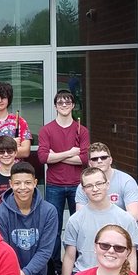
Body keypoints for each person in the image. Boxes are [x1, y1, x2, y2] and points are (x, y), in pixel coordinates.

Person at [61, 167, 138, 275]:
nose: (95, 189)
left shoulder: (126, 219)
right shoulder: (75, 220)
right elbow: (70, 256)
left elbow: (131, 256)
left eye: (99, 184)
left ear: (107, 184)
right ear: (83, 190)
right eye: (89, 186)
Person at [0, 162, 58, 275]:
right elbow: (2, 251)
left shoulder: (49, 211)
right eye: (17, 183)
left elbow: (45, 251)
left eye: (28, 182)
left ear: (35, 183)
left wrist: (25, 274)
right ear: (10, 184)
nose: (23, 187)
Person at [37, 88, 89, 240]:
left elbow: (84, 159)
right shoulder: (46, 130)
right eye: (60, 102)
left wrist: (55, 156)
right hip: (54, 184)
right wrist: (70, 152)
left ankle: (79, 262)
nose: (64, 105)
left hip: (78, 185)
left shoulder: (82, 131)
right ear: (55, 106)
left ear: (73, 105)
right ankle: (55, 264)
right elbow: (43, 158)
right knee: (53, 228)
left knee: (79, 226)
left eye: (68, 102)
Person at [75, 143, 138, 222]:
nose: (99, 161)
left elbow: (135, 215)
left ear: (110, 160)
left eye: (103, 158)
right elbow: (80, 217)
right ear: (90, 163)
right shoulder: (84, 186)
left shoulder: (126, 181)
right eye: (95, 159)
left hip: (123, 229)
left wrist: (109, 227)